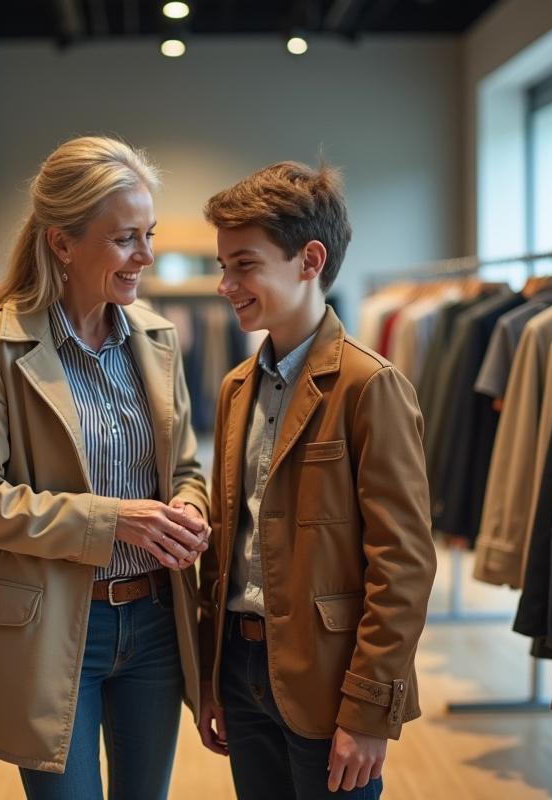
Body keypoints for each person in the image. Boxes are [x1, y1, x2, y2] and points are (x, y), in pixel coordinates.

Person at [0, 136, 211, 800]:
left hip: (155, 622)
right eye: (125, 239)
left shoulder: (158, 338)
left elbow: (185, 466)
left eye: (148, 234)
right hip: (53, 626)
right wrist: (111, 520)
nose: (146, 256)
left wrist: (189, 507)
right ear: (62, 243)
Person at [196, 161, 437, 799]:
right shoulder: (236, 388)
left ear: (309, 259)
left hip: (331, 678)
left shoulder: (370, 386)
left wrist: (368, 709)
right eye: (223, 266)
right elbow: (227, 542)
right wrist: (213, 678)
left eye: (244, 265)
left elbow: (403, 564)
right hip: (242, 668)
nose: (226, 284)